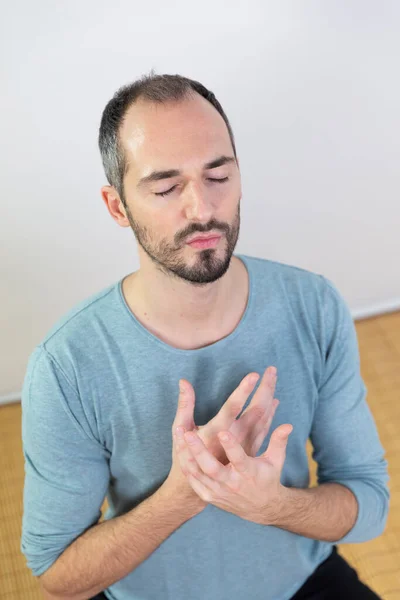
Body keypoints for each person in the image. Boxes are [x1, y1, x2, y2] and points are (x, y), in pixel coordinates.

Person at [20, 71, 389, 600]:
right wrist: (186, 494)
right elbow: (57, 575)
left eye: (219, 176)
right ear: (117, 206)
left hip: (302, 581)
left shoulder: (313, 305)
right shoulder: (67, 367)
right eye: (167, 187)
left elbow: (369, 502)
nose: (203, 209)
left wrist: (274, 505)